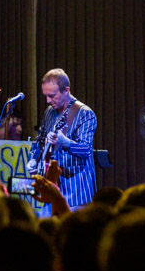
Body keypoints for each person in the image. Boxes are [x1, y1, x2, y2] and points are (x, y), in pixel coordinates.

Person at [26, 68, 97, 208]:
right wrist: (34, 159)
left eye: (52, 96)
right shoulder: (49, 112)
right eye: (45, 96)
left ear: (66, 90)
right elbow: (40, 139)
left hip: (77, 190)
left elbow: (86, 150)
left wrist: (65, 142)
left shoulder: (85, 114)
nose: (48, 100)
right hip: (52, 185)